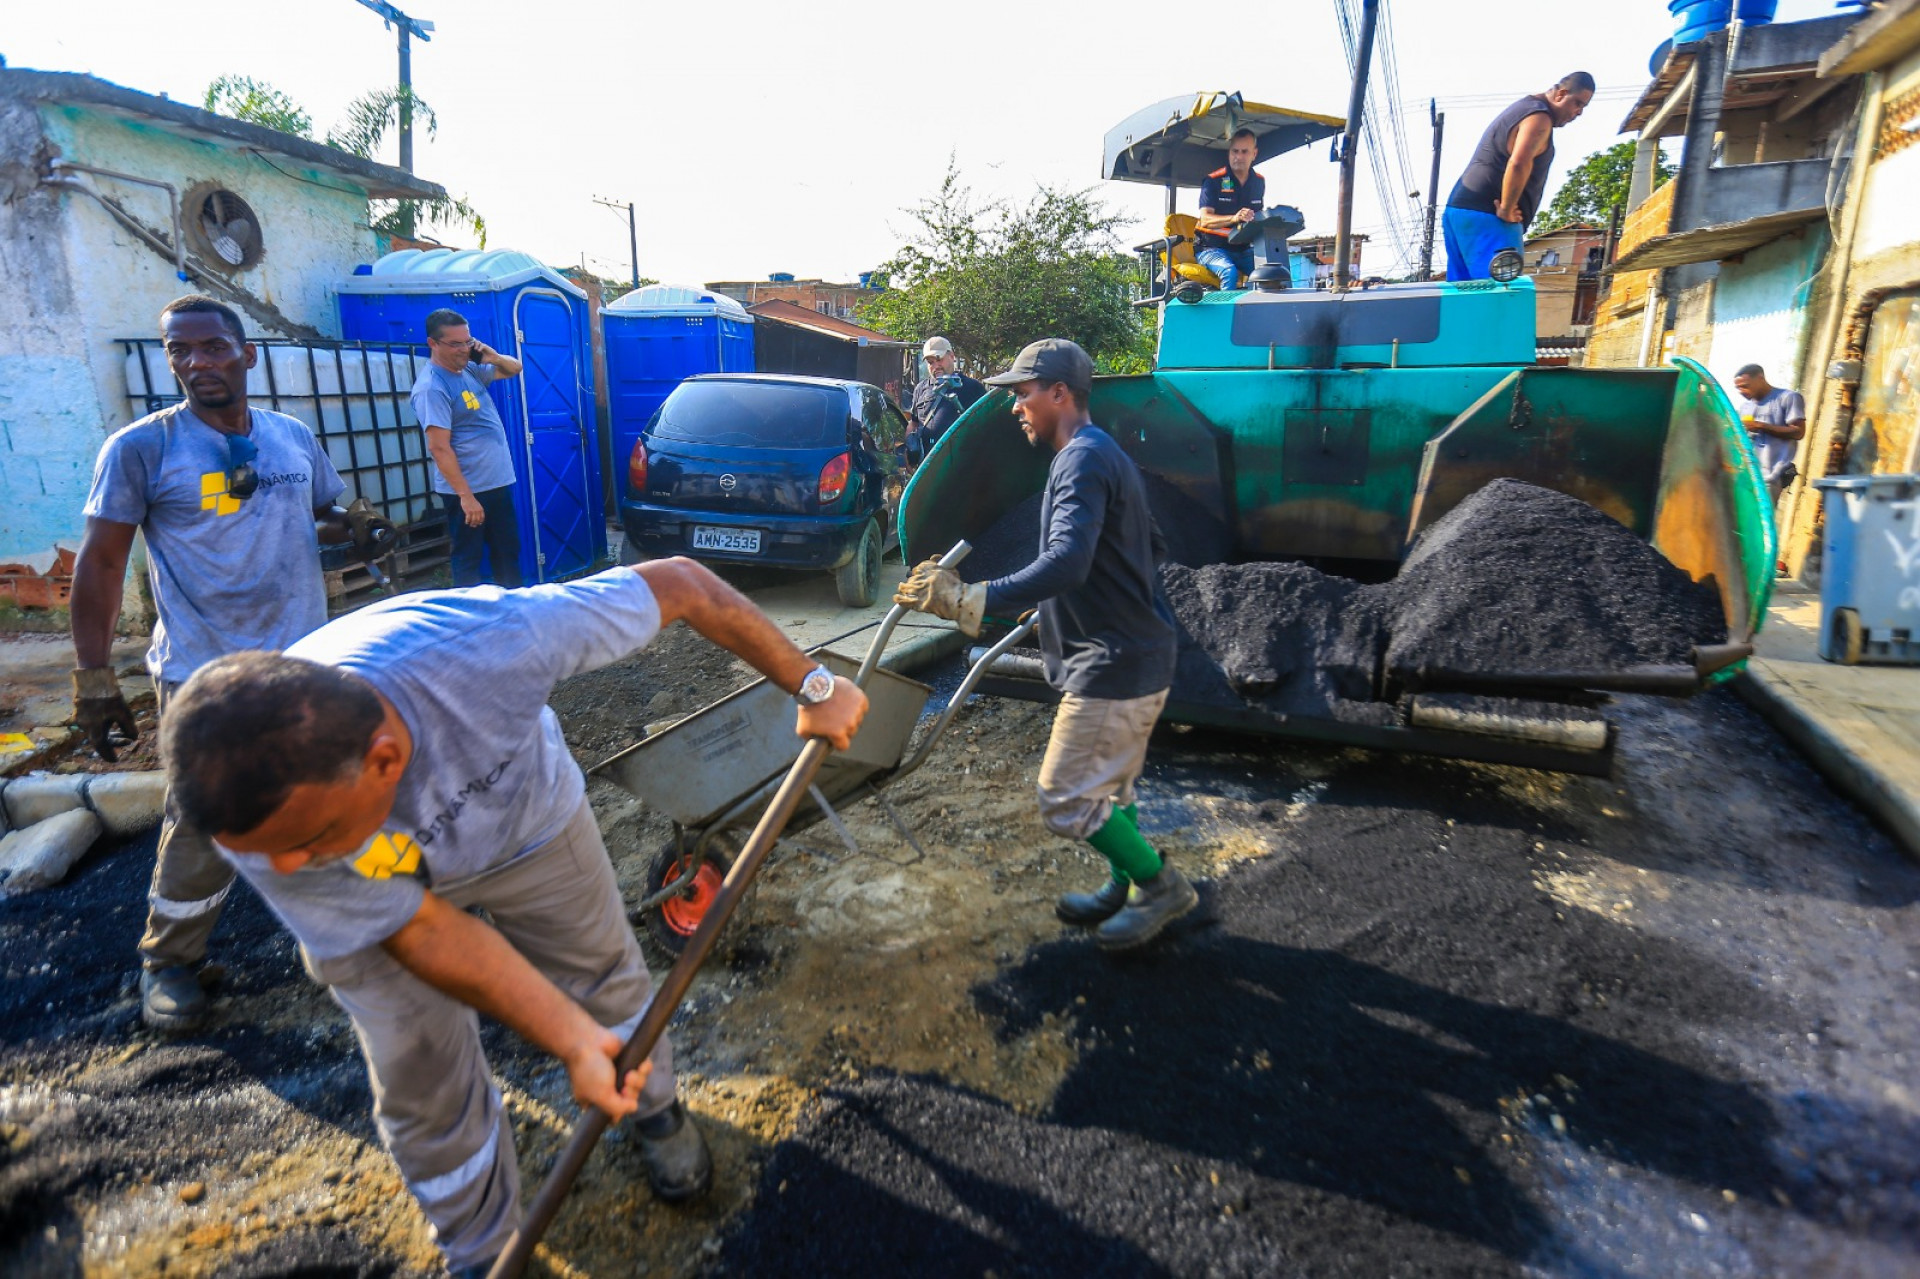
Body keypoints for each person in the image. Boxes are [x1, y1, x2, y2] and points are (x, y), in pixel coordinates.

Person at [158, 559, 869, 1277]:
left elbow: (682, 583)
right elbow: (422, 930)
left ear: (384, 759)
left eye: (308, 843)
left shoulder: (491, 644)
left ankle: (654, 1108)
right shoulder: (259, 820)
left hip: (527, 825)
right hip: (392, 897)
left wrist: (814, 685)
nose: (286, 868)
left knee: (606, 975)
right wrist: (567, 1041)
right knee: (418, 1069)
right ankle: (478, 1245)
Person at [69, 294, 394, 1033]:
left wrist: (363, 528)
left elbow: (321, 513)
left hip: (304, 659)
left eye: (212, 346)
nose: (196, 363)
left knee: (337, 789)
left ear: (247, 354)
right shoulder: (142, 449)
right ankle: (170, 962)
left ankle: (372, 927)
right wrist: (93, 678)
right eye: (179, 350)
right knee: (202, 817)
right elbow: (100, 562)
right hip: (203, 672)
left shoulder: (290, 437)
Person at [895, 339, 1196, 951]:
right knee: (1112, 790)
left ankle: (1160, 886)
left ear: (1060, 393)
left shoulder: (1080, 461)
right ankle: (1124, 884)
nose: (1014, 407)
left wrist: (967, 597)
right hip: (1132, 652)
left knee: (1065, 797)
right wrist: (1057, 602)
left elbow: (1066, 560)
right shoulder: (1101, 454)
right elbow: (1145, 546)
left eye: (1023, 393)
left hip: (1113, 665)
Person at [1443, 73, 1595, 281]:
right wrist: (1506, 208)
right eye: (1577, 104)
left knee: (1463, 297)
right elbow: (1519, 162)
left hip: (1459, 211)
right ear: (1561, 94)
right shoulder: (1539, 118)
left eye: (1583, 108)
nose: (1578, 112)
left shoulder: (1524, 107)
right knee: (1501, 297)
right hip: (1491, 217)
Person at [412, 308, 525, 587]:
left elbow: (514, 369)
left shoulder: (469, 369)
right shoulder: (432, 387)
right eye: (455, 343)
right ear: (433, 343)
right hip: (468, 491)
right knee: (468, 559)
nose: (463, 349)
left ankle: (514, 614)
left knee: (507, 554)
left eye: (467, 341)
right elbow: (439, 448)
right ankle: (469, 620)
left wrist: (493, 356)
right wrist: (466, 497)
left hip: (495, 484)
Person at [1193, 127, 1266, 290]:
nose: (1239, 157)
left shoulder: (1259, 182)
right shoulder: (1213, 181)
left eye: (1244, 152)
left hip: (1242, 250)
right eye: (1235, 151)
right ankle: (1227, 315)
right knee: (1229, 272)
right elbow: (1205, 219)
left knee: (1271, 271)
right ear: (1229, 153)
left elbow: (1258, 216)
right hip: (1211, 249)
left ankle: (1254, 311)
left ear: (1254, 154)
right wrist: (1234, 218)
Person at [1731, 364, 1807, 501]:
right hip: (1747, 476)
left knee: (1759, 521)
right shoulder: (1745, 407)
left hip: (1770, 477)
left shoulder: (1788, 398)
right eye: (1738, 388)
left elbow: (1798, 432)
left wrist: (1760, 426)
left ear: (1761, 378)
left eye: (1745, 386)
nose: (1742, 391)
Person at [908, 337, 986, 463]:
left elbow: (986, 427)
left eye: (939, 359)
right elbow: (914, 423)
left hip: (963, 465)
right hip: (928, 467)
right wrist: (910, 452)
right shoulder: (920, 389)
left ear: (952, 356)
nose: (935, 366)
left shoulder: (973, 388)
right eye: (930, 362)